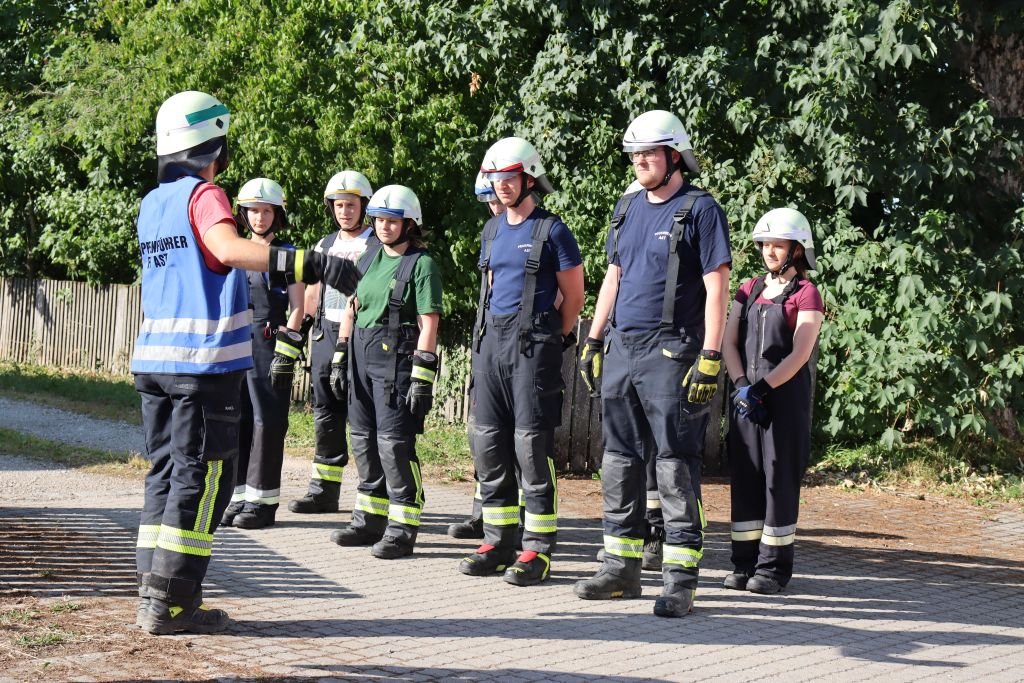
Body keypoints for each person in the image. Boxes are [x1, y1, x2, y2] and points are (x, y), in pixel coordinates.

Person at [133, 90, 360, 635]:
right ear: (214, 143)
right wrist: (315, 261)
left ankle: (151, 594)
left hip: (155, 365)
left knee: (163, 474)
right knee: (204, 478)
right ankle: (177, 602)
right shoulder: (204, 195)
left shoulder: (151, 203)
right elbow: (228, 249)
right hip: (203, 367)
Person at [574, 110, 732, 617]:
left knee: (674, 464)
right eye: (635, 154)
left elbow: (717, 286)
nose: (640, 160)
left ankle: (681, 581)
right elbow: (612, 277)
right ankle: (621, 569)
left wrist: (710, 354)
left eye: (649, 152)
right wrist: (593, 338)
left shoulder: (700, 210)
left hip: (672, 351)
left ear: (674, 156)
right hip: (622, 346)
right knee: (618, 460)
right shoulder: (626, 207)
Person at [459, 137, 584, 586]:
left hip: (533, 348)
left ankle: (537, 550)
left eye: (509, 178)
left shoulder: (553, 231)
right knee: (489, 444)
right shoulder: (492, 230)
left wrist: (557, 335)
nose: (502, 187)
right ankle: (497, 541)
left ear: (529, 178)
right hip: (491, 346)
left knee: (531, 449)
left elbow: (574, 296)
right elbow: (490, 290)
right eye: (495, 179)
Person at [328, 185, 443, 559]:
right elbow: (351, 306)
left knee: (393, 444)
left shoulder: (421, 265)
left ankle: (402, 526)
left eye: (392, 221)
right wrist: (340, 353)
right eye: (378, 220)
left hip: (396, 359)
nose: (383, 227)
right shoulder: (368, 257)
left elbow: (429, 322)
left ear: (410, 223)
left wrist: (423, 373)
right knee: (361, 438)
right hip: (361, 353)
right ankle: (369, 519)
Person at [721, 208, 823, 595]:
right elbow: (730, 341)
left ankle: (773, 569)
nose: (770, 251)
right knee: (746, 479)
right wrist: (743, 385)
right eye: (765, 244)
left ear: (797, 250)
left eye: (778, 245)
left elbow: (800, 353)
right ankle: (743, 563)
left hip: (784, 401)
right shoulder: (748, 289)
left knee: (778, 480)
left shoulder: (806, 294)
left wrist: (763, 389)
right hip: (746, 398)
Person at [220, 178, 306, 530]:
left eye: (266, 211)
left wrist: (286, 351)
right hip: (236, 342)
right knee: (237, 420)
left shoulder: (289, 256)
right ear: (243, 214)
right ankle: (238, 496)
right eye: (253, 211)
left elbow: (299, 307)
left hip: (270, 343)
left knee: (267, 423)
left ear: (277, 215)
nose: (259, 218)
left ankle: (263, 502)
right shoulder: (234, 251)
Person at [288, 171, 376, 514]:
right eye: (339, 205)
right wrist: (298, 332)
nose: (345, 211)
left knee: (362, 417)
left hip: (360, 340)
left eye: (351, 205)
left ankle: (370, 497)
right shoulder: (324, 245)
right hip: (324, 335)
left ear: (363, 207)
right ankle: (323, 490)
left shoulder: (375, 246)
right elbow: (312, 292)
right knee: (326, 415)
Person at [447, 172, 509, 541]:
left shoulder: (537, 233)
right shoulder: (492, 233)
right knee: (482, 436)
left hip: (517, 347)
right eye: (488, 201)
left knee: (512, 440)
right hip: (485, 340)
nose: (494, 207)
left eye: (497, 200)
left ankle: (509, 516)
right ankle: (482, 510)